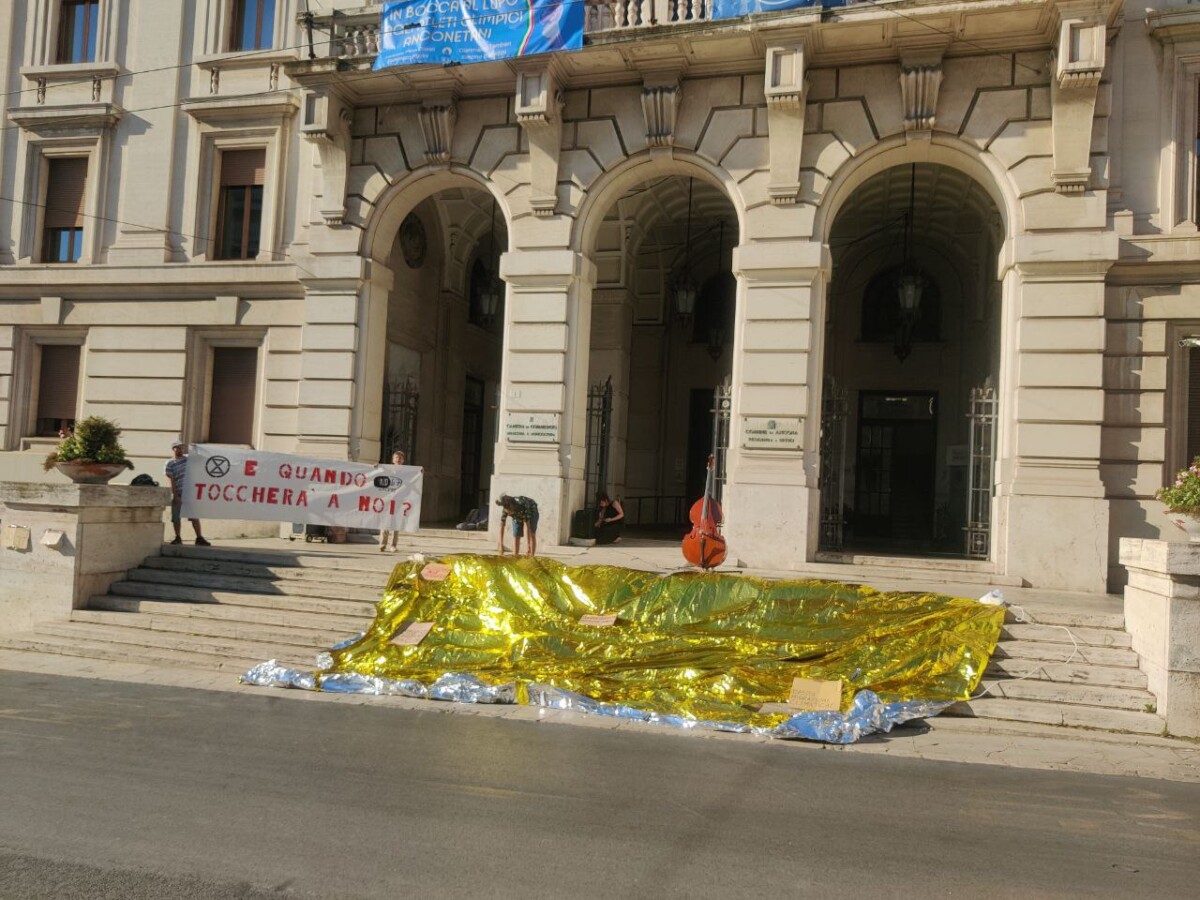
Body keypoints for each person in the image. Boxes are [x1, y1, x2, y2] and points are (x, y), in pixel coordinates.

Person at [164, 439, 210, 546]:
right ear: (173, 449)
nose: (180, 449)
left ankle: (199, 537)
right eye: (178, 447)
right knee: (176, 517)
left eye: (182, 447)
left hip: (190, 493)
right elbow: (171, 480)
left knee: (194, 516)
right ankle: (178, 537)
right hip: (178, 492)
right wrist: (175, 495)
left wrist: (195, 448)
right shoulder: (169, 463)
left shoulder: (187, 459)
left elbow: (201, 459)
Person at [379, 450, 406, 552]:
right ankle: (382, 544)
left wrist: (420, 472)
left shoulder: (407, 471)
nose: (398, 459)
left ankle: (393, 545)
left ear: (403, 460)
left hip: (399, 500)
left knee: (396, 523)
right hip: (387, 500)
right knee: (385, 522)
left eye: (400, 458)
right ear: (393, 460)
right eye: (396, 457)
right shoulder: (387, 470)